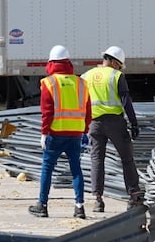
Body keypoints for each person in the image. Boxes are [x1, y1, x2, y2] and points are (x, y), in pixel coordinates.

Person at [29, 45, 89, 219]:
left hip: (55, 133)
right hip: (76, 134)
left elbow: (47, 111)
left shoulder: (49, 83)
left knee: (47, 168)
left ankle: (43, 205)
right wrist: (84, 130)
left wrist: (44, 132)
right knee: (76, 169)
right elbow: (88, 111)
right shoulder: (81, 83)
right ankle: (79, 207)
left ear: (51, 63)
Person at [82, 45, 143, 211]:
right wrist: (134, 123)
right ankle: (134, 196)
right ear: (115, 62)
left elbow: (82, 101)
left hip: (94, 124)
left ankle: (98, 200)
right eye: (120, 65)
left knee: (97, 160)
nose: (120, 68)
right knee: (126, 158)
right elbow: (125, 100)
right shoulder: (116, 76)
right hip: (115, 122)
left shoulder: (87, 75)